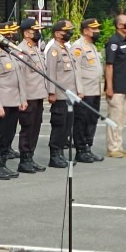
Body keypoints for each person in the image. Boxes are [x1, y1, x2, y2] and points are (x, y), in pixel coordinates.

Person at [0, 22, 27, 180]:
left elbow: (19, 79)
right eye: (7, 34)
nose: (11, 37)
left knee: (9, 135)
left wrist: (22, 99)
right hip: (1, 103)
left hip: (14, 101)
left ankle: (3, 163)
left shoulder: (11, 52)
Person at [45, 19, 83, 168]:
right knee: (59, 125)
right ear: (57, 33)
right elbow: (51, 73)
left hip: (69, 96)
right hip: (60, 96)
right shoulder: (54, 50)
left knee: (67, 126)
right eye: (66, 31)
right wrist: (51, 92)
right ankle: (54, 156)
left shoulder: (65, 48)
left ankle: (60, 153)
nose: (69, 33)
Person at [16, 18, 48, 173]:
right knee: (28, 128)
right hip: (29, 96)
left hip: (38, 95)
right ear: (26, 32)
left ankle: (31, 157)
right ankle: (24, 159)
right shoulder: (22, 50)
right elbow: (20, 77)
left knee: (36, 127)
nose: (38, 33)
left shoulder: (36, 48)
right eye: (35, 30)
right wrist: (22, 98)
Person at [71, 18, 105, 163]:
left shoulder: (92, 46)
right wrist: (79, 91)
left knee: (92, 120)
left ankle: (88, 148)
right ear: (85, 31)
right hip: (84, 92)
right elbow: (76, 71)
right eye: (94, 29)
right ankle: (80, 150)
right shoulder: (78, 47)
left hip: (95, 90)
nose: (97, 31)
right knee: (81, 121)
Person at [105, 14, 126, 158]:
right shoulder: (114, 42)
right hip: (115, 88)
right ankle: (112, 148)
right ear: (119, 26)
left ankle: (118, 145)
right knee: (114, 118)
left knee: (122, 118)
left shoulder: (125, 41)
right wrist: (109, 87)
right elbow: (109, 66)